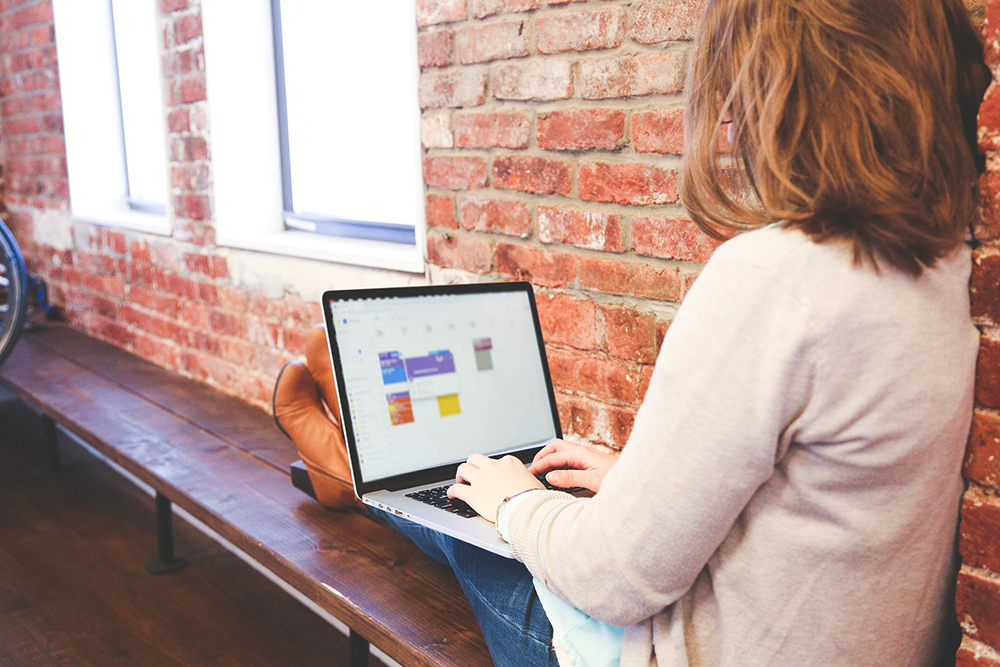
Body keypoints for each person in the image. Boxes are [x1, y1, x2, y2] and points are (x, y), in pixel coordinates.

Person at [274, 0, 991, 664]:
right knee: (498, 491)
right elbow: (822, 502)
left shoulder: (775, 280)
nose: (730, 115)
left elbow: (616, 581)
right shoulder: (956, 271)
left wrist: (518, 501)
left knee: (478, 522)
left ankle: (348, 466)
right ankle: (362, 466)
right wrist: (639, 485)